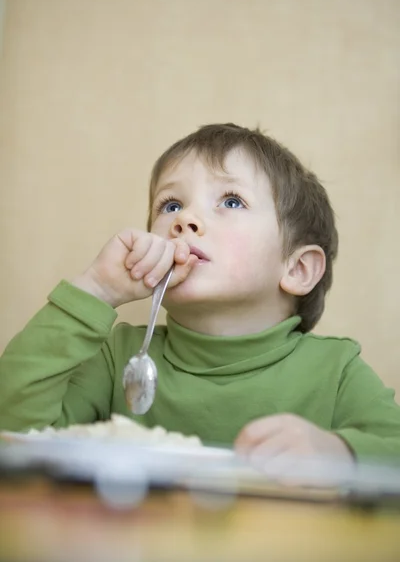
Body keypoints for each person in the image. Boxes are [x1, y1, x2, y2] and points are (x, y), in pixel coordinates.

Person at [0, 123, 399, 473]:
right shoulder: (118, 359)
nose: (183, 220)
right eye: (171, 204)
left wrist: (338, 453)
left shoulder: (335, 370)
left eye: (231, 201)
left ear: (297, 270)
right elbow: (14, 432)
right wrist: (97, 289)